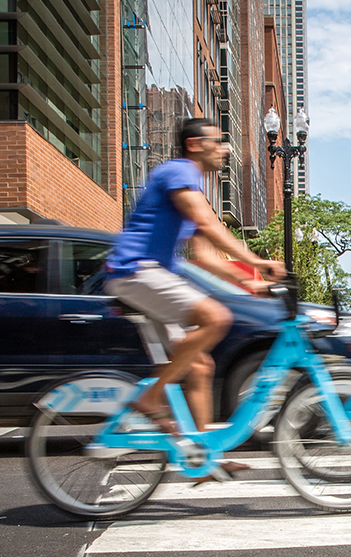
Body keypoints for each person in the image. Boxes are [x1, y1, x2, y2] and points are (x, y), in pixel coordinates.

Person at [104, 118, 285, 479]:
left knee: (201, 367)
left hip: (150, 276)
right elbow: (207, 223)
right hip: (135, 270)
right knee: (216, 319)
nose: (225, 149)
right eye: (218, 142)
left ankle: (203, 456)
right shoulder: (178, 172)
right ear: (194, 145)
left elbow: (205, 256)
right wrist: (257, 260)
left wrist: (254, 283)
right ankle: (151, 398)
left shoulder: (191, 182)